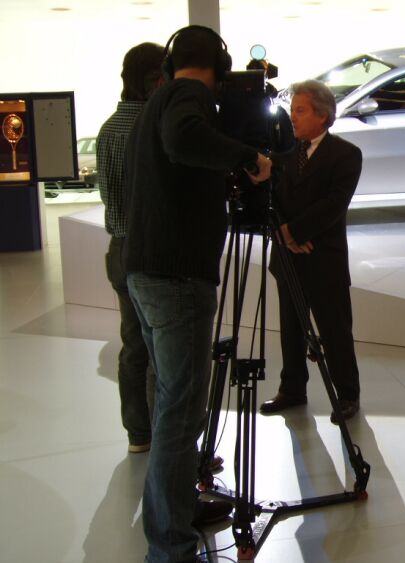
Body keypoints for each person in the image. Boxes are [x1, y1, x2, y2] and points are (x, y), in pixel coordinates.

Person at [122, 25, 272, 563]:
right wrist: (249, 159)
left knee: (172, 404)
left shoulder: (154, 102)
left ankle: (177, 510)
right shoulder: (188, 96)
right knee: (181, 413)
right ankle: (170, 547)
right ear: (218, 67)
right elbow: (187, 138)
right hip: (176, 279)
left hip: (149, 273)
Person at [259, 80, 362, 424]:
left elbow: (333, 205)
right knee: (290, 328)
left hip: (324, 257)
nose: (293, 117)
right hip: (288, 257)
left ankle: (347, 395)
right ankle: (292, 389)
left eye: (300, 110)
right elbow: (272, 201)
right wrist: (284, 235)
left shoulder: (346, 154)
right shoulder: (284, 156)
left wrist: (292, 231)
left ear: (323, 115)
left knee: (334, 330)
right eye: (292, 110)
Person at [97, 42, 164, 454]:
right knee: (163, 350)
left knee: (133, 344)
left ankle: (138, 433)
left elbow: (109, 195)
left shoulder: (107, 129)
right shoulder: (152, 127)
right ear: (156, 80)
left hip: (118, 248)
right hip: (151, 252)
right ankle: (168, 438)